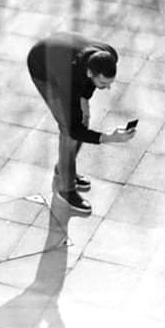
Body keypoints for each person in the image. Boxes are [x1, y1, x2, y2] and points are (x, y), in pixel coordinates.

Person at [26, 32, 136, 214]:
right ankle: (66, 189)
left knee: (84, 118)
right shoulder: (69, 81)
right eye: (103, 82)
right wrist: (109, 137)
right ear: (90, 72)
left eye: (109, 82)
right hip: (41, 64)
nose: (107, 87)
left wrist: (85, 98)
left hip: (62, 52)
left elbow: (89, 84)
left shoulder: (108, 55)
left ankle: (63, 168)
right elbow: (74, 130)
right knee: (68, 129)